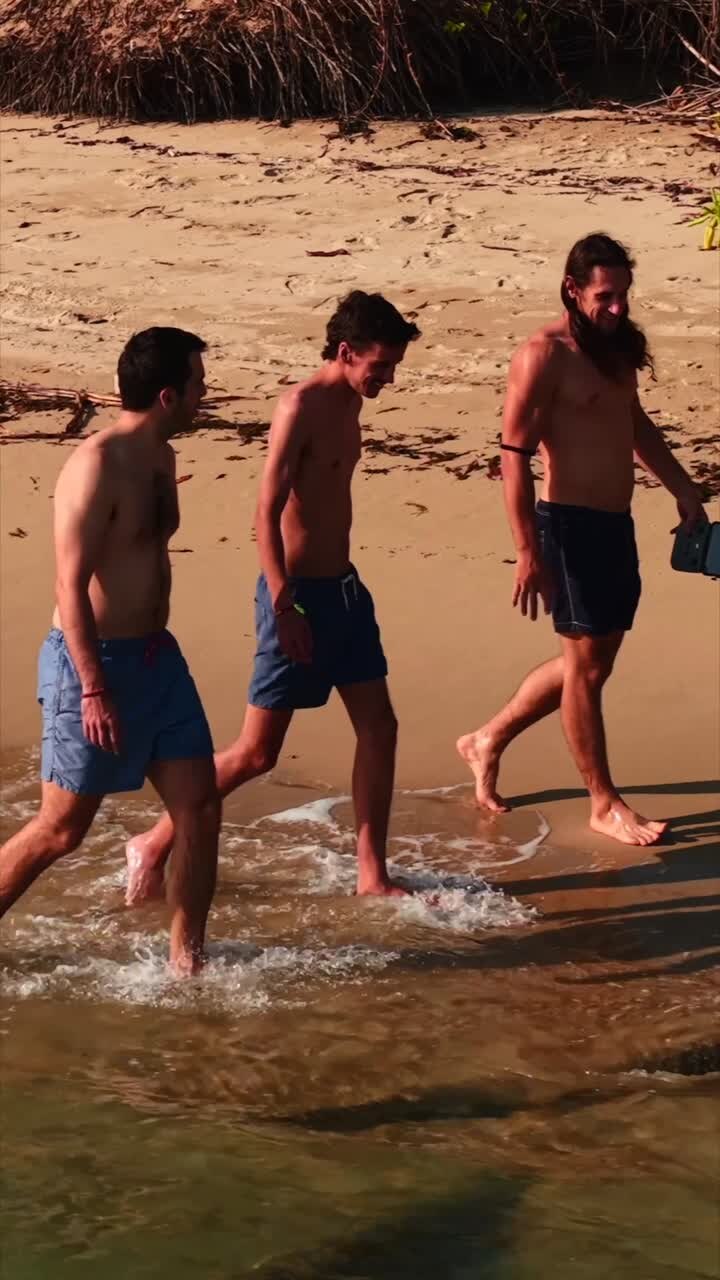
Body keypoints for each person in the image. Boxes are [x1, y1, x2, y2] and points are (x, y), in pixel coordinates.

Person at [126, 291, 420, 899]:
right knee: (258, 753)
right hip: (299, 598)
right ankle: (154, 842)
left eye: (393, 366)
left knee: (380, 727)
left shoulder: (348, 403)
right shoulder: (301, 406)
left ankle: (372, 875)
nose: (388, 378)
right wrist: (285, 603)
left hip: (344, 592)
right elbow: (265, 512)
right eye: (381, 366)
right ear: (346, 352)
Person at [457, 233, 707, 846]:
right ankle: (603, 802)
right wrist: (526, 550)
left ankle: (486, 739)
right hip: (566, 527)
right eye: (606, 296)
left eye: (624, 294)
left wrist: (683, 489)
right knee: (587, 670)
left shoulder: (613, 348)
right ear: (572, 289)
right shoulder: (543, 355)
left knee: (591, 663)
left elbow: (632, 421)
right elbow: (513, 454)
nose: (619, 307)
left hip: (614, 525)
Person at [0, 328, 220, 974]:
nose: (205, 396)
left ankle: (188, 965)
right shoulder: (96, 465)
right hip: (93, 664)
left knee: (200, 805)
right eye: (198, 385)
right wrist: (93, 685)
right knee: (62, 830)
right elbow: (68, 584)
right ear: (166, 394)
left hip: (157, 659)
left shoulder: (161, 456)